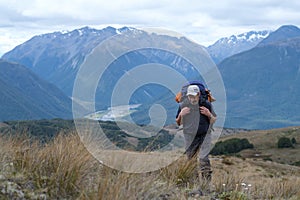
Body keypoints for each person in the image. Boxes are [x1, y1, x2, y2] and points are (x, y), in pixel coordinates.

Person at [175, 85, 216, 184]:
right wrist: (181, 115)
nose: (192, 98)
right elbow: (178, 122)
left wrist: (208, 114)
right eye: (190, 96)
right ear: (187, 96)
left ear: (199, 95)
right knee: (191, 160)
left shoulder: (206, 105)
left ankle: (206, 184)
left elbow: (213, 120)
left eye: (194, 96)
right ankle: (194, 183)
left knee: (203, 158)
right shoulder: (182, 106)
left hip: (205, 134)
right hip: (189, 136)